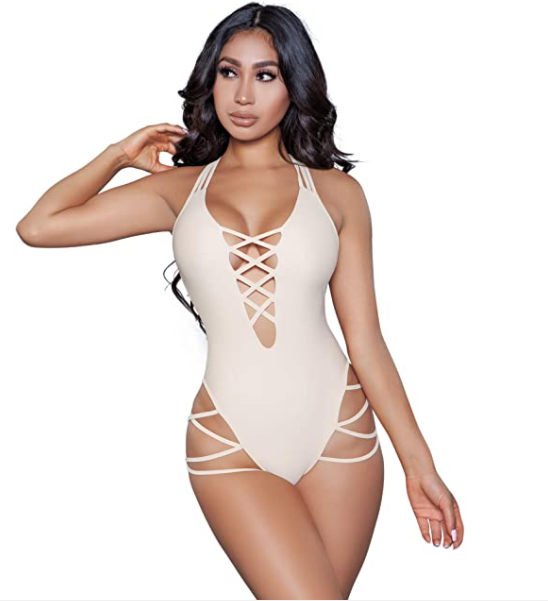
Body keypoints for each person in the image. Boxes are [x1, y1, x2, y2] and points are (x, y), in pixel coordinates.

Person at [16, 2, 464, 599]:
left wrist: (419, 465)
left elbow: (365, 340)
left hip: (342, 436)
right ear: (211, 80)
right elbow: (39, 226)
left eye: (266, 75)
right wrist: (119, 154)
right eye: (229, 72)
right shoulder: (177, 191)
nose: (244, 95)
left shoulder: (338, 194)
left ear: (294, 85)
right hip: (230, 442)